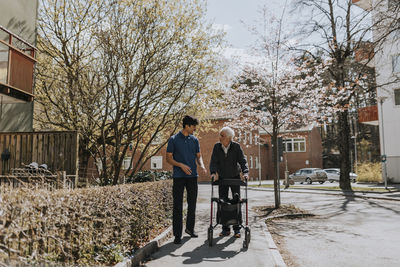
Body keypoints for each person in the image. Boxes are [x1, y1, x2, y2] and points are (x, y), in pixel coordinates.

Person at [166, 115, 207, 244]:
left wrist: (202, 165)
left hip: (192, 177)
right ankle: (177, 234)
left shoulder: (195, 140)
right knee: (177, 206)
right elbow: (168, 158)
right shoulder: (173, 139)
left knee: (192, 204)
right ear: (187, 126)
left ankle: (190, 229)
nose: (195, 129)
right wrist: (181, 165)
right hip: (178, 177)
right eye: (193, 126)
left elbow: (199, 156)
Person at [209, 126, 249, 238]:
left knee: (236, 202)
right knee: (223, 202)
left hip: (235, 177)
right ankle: (225, 229)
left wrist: (245, 172)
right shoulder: (217, 147)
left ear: (229, 137)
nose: (219, 137)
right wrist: (213, 172)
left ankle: (237, 229)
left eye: (222, 135)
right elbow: (213, 161)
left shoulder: (236, 146)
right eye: (220, 135)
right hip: (222, 178)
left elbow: (242, 160)